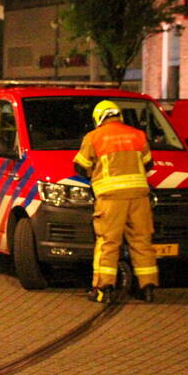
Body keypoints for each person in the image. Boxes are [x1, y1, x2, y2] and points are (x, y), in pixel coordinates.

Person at [73, 100, 158, 303]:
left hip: (111, 199)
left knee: (108, 243)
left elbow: (80, 166)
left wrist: (95, 174)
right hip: (139, 197)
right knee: (142, 242)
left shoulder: (94, 137)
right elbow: (148, 164)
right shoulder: (137, 135)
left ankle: (104, 289)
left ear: (99, 118)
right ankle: (147, 288)